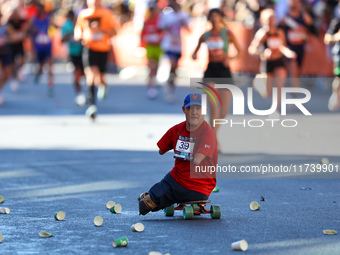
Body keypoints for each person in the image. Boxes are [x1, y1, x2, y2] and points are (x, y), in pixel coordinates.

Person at [139, 93, 218, 216]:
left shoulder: (207, 133)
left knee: (147, 202)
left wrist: (182, 146)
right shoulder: (177, 130)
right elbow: (161, 150)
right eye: (190, 108)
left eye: (198, 109)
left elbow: (197, 160)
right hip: (193, 187)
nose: (195, 112)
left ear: (205, 111)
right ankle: (162, 198)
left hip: (195, 186)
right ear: (184, 110)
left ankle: (160, 198)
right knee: (144, 204)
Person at [192, 8, 242, 151]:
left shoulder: (227, 33)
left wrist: (230, 58)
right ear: (209, 19)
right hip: (211, 70)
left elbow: (240, 51)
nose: (214, 19)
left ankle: (212, 136)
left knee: (223, 112)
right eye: (211, 16)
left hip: (224, 71)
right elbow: (194, 52)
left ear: (220, 18)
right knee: (214, 107)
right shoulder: (205, 35)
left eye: (216, 16)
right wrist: (194, 55)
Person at [74, 0, 117, 120]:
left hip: (103, 49)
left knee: (100, 78)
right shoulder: (83, 14)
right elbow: (78, 29)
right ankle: (92, 105)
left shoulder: (107, 14)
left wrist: (102, 30)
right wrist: (78, 35)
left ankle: (103, 85)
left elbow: (114, 31)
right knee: (91, 74)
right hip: (89, 48)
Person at [249, 9, 296, 115]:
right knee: (267, 93)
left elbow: (283, 46)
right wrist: (263, 53)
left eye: (273, 19)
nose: (271, 22)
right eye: (268, 19)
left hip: (279, 61)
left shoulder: (279, 32)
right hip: (267, 64)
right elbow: (252, 49)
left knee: (278, 86)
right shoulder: (262, 34)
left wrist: (289, 53)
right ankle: (257, 82)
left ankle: (274, 110)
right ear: (264, 21)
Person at [158, 0, 190, 103]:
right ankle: (167, 85)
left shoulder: (184, 15)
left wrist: (183, 23)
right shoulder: (165, 15)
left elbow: (188, 29)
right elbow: (160, 29)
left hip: (178, 45)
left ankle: (170, 85)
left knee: (175, 69)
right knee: (172, 64)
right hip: (168, 45)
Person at [279, 0, 313, 89]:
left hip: (300, 47)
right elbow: (279, 31)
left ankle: (293, 90)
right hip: (289, 47)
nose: (294, 3)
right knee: (293, 69)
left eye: (296, 2)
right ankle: (294, 92)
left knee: (297, 71)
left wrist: (305, 33)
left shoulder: (304, 17)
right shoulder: (285, 18)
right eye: (292, 2)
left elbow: (311, 30)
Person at [27, 3, 54, 96]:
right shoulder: (33, 20)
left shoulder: (48, 19)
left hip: (47, 47)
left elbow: (53, 30)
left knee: (50, 66)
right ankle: (38, 75)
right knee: (41, 66)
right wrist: (32, 49)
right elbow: (29, 32)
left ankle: (50, 86)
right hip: (38, 47)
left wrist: (51, 30)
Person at [62, 10, 86, 106]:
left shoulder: (81, 23)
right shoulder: (66, 26)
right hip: (74, 54)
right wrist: (67, 36)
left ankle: (90, 93)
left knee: (87, 74)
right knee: (77, 75)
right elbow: (62, 40)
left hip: (84, 52)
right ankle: (80, 95)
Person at [141, 1, 162, 99]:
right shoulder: (146, 22)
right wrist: (141, 45)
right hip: (150, 46)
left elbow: (164, 32)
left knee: (156, 67)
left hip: (158, 47)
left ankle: (153, 81)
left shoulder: (160, 21)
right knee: (152, 66)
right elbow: (142, 34)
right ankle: (151, 87)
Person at [7, 8, 28, 92]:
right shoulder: (10, 23)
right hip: (11, 46)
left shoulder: (22, 22)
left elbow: (26, 29)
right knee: (11, 64)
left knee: (22, 61)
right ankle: (14, 79)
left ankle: (18, 71)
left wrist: (20, 35)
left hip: (19, 45)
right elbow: (12, 34)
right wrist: (18, 36)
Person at [324, 5, 340, 112]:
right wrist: (336, 37)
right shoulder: (337, 21)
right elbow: (327, 39)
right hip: (339, 55)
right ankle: (336, 94)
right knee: (338, 79)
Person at [0, 11, 12, 105]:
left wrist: (8, 39)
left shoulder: (6, 27)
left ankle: (1, 88)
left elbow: (14, 36)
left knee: (7, 74)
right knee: (0, 74)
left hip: (6, 52)